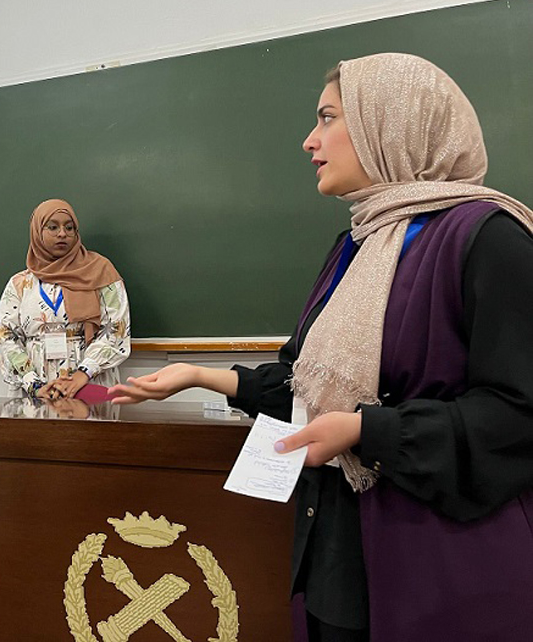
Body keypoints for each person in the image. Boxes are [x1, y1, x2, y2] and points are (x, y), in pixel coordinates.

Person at [110, 53, 533, 641]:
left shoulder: (489, 238)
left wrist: (369, 431)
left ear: (390, 123)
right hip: (336, 548)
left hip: (439, 566)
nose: (310, 141)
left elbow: (516, 415)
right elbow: (310, 383)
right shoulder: (355, 245)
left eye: (329, 117)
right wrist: (204, 376)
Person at [0, 199, 131, 401]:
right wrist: (34, 384)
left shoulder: (100, 271)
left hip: (90, 383)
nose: (62, 234)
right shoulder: (20, 284)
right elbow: (6, 336)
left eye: (69, 228)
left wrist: (82, 374)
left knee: (91, 433)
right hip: (36, 391)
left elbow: (117, 329)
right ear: (37, 232)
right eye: (52, 227)